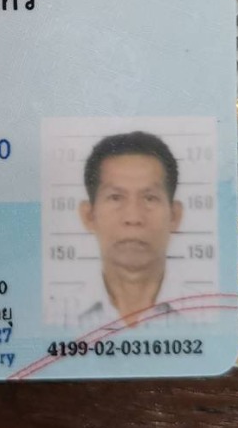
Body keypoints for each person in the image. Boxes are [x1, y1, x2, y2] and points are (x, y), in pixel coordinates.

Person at [74, 131, 185, 327]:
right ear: (89, 215)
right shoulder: (55, 315)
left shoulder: (210, 313)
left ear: (174, 216)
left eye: (149, 198)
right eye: (115, 198)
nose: (133, 218)